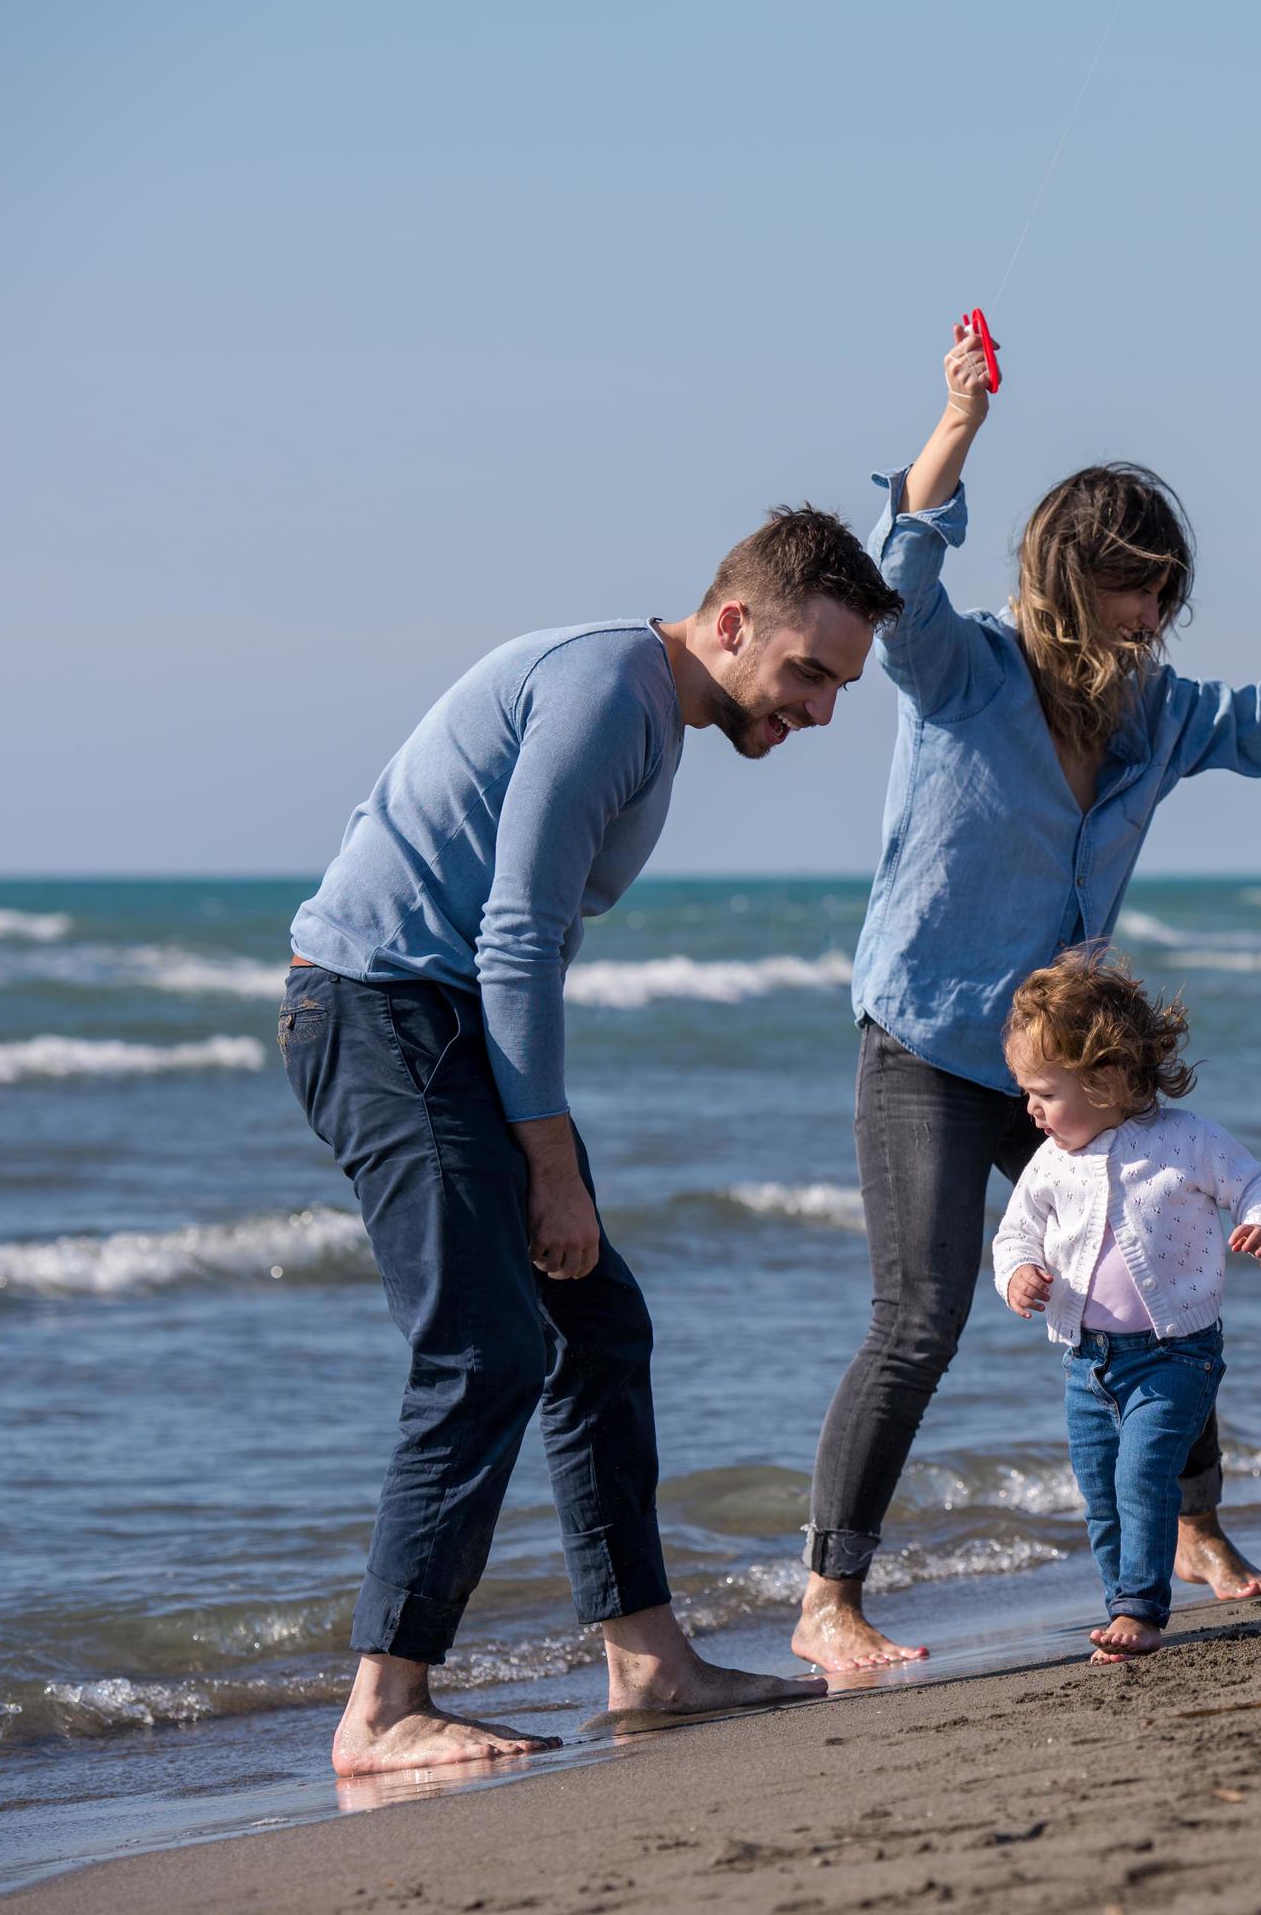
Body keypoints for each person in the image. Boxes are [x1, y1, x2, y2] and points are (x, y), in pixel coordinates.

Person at [792, 319, 1261, 1672]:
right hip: (924, 1042)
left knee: (1163, 1263)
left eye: (1166, 591)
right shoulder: (958, 669)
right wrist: (960, 419)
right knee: (920, 1317)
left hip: (1071, 1062)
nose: (1155, 616)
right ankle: (827, 1602)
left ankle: (1196, 1531)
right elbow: (900, 559)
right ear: (1069, 578)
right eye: (1135, 588)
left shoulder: (1150, 714)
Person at [280, 506, 899, 1775]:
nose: (822, 710)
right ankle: (383, 1708)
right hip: (382, 1010)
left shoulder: (647, 707)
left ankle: (649, 1661)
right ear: (731, 625)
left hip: (434, 1018)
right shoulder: (609, 694)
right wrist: (550, 1163)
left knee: (593, 1323)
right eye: (808, 673)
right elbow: (514, 934)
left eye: (839, 684)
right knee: (487, 1343)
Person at [991, 951, 1261, 1663]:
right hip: (1086, 1364)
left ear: (1109, 1078)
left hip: (1176, 1356)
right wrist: (1018, 1274)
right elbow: (1015, 1231)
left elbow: (1258, 1181)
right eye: (1025, 1092)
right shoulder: (1050, 1161)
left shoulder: (1185, 1140)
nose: (1029, 1109)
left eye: (1043, 1092)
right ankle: (1116, 1604)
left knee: (1142, 1475)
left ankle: (1141, 1612)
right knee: (1099, 1493)